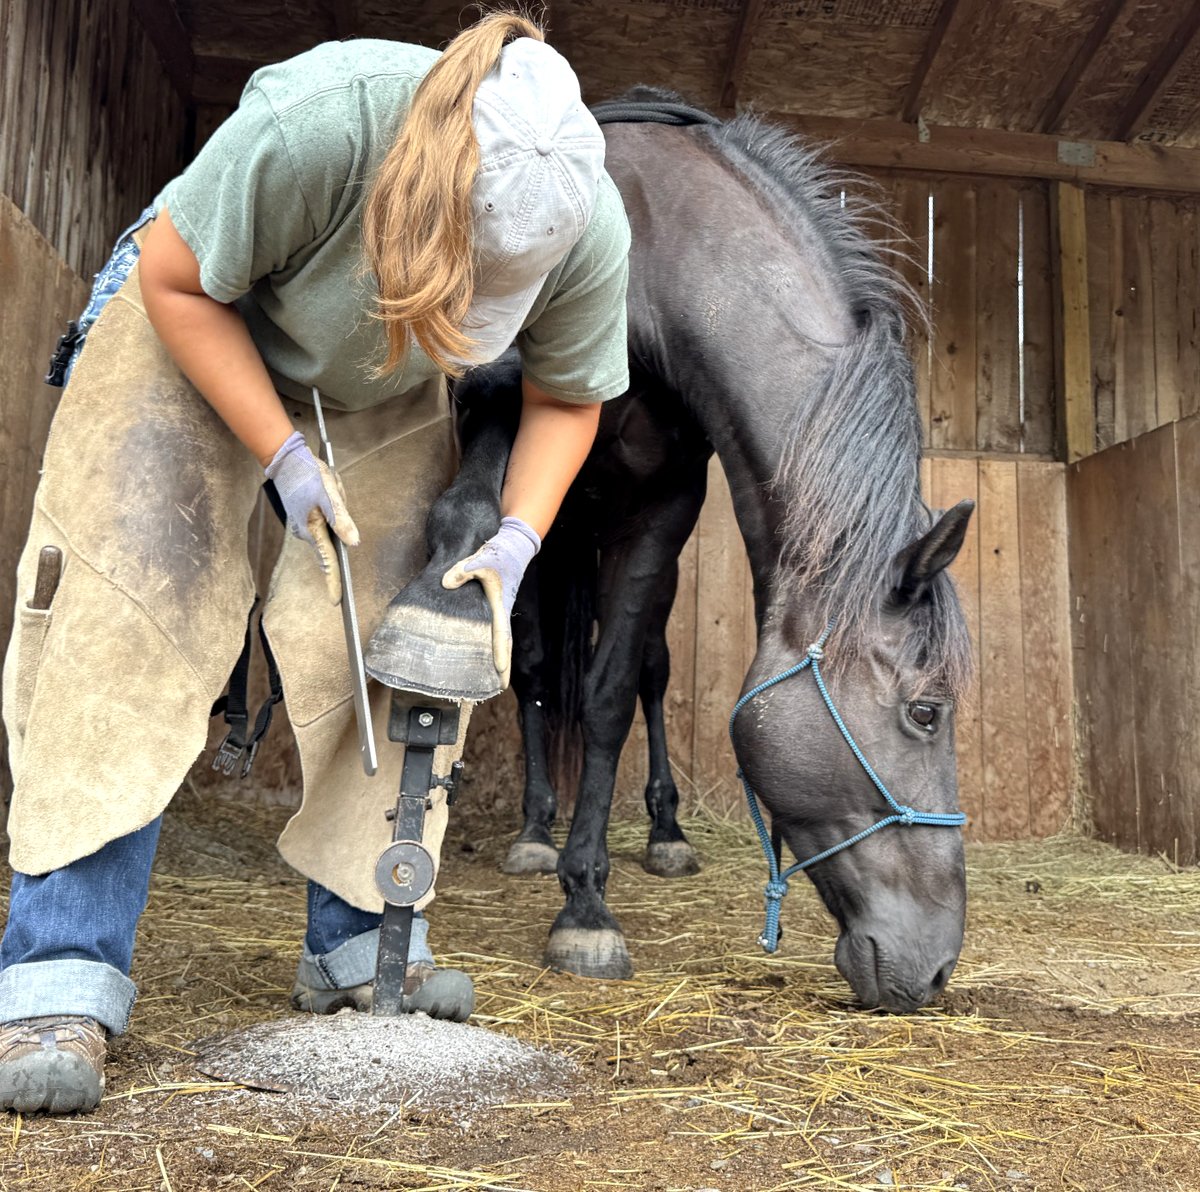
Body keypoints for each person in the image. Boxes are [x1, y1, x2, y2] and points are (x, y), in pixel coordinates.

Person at [0, 11, 630, 1114]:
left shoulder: (584, 215)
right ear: (427, 185)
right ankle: (57, 969)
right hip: (194, 310)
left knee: (404, 627)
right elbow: (182, 281)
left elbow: (568, 395)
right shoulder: (324, 122)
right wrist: (283, 457)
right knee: (135, 608)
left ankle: (359, 938)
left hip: (374, 379)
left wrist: (516, 543)